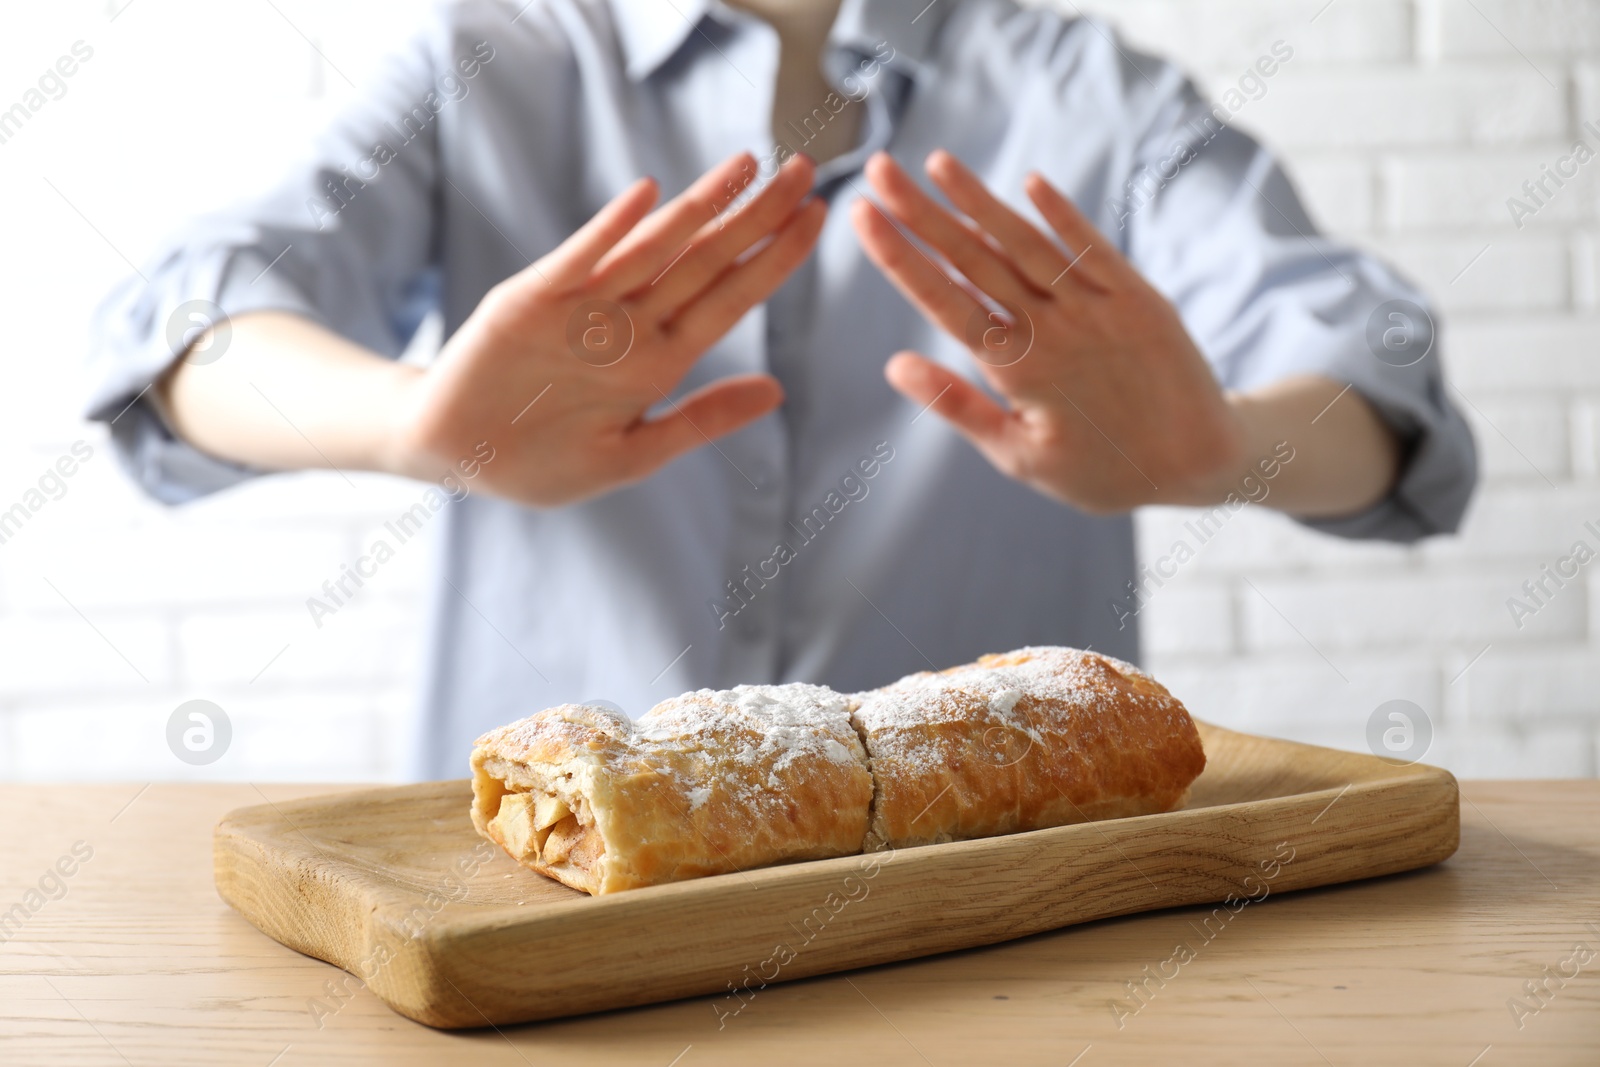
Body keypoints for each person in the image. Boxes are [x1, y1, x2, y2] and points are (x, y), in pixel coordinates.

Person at [87, 0, 1476, 779]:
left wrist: (1217, 450)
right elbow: (186, 321)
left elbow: (1383, 380)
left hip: (1011, 934)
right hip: (537, 915)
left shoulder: (1090, 91)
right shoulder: (487, 61)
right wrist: (411, 426)